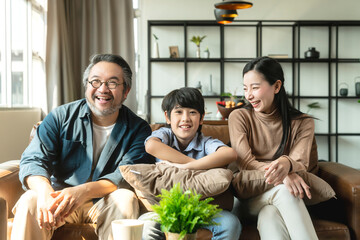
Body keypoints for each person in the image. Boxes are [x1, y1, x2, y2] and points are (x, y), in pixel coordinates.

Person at [11, 53, 154, 240]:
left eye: (112, 83)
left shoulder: (139, 129)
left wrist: (82, 191)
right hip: (59, 196)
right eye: (95, 82)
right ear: (87, 86)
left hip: (104, 200)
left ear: (126, 91)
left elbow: (127, 175)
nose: (102, 89)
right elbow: (33, 159)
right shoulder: (60, 117)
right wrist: (46, 192)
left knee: (125, 198)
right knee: (30, 200)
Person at [228, 56, 319, 240]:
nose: (248, 95)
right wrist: (284, 172)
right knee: (286, 191)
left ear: (276, 86)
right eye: (246, 88)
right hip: (248, 198)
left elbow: (300, 162)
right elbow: (246, 163)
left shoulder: (303, 122)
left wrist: (286, 163)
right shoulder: (239, 117)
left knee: (270, 215)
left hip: (278, 199)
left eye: (255, 87)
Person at [139, 87, 241, 240]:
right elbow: (151, 146)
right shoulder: (164, 134)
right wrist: (196, 164)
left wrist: (186, 167)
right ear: (167, 117)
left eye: (192, 112)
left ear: (201, 118)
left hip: (202, 210)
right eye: (178, 112)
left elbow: (230, 153)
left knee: (231, 223)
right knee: (146, 226)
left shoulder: (206, 143)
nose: (185, 118)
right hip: (166, 209)